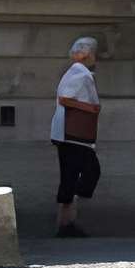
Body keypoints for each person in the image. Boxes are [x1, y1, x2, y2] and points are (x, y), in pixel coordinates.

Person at [50, 36, 101, 237]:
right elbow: (65, 99)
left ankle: (65, 222)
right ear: (86, 54)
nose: (95, 57)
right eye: (93, 52)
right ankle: (66, 219)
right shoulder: (80, 73)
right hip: (74, 134)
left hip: (68, 134)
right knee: (90, 171)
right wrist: (91, 108)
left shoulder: (76, 71)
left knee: (70, 176)